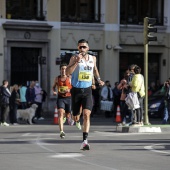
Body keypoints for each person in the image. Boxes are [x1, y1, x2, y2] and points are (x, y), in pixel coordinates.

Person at [66, 39, 104, 150]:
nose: (82, 49)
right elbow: (68, 72)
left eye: (84, 47)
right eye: (80, 47)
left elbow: (95, 70)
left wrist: (99, 80)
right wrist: (76, 62)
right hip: (76, 90)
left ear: (88, 48)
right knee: (76, 115)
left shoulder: (93, 58)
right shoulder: (74, 58)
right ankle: (74, 116)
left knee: (87, 114)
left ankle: (85, 141)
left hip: (87, 90)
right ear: (78, 48)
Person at [52, 63, 74, 139]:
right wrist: (54, 91)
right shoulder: (57, 78)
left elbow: (73, 86)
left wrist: (69, 89)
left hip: (68, 98)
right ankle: (61, 131)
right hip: (60, 98)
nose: (63, 70)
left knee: (67, 114)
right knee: (60, 112)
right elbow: (53, 87)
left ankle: (67, 116)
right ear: (60, 70)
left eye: (65, 69)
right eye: (62, 69)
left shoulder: (69, 78)